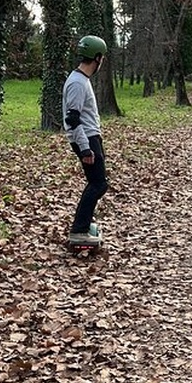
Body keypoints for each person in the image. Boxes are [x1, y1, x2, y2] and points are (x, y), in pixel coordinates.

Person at [63, 35, 109, 248]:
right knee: (98, 184)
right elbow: (72, 119)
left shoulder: (81, 79)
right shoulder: (78, 83)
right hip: (86, 139)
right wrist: (85, 149)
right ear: (97, 57)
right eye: (102, 58)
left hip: (91, 137)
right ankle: (79, 230)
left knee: (97, 183)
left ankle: (82, 224)